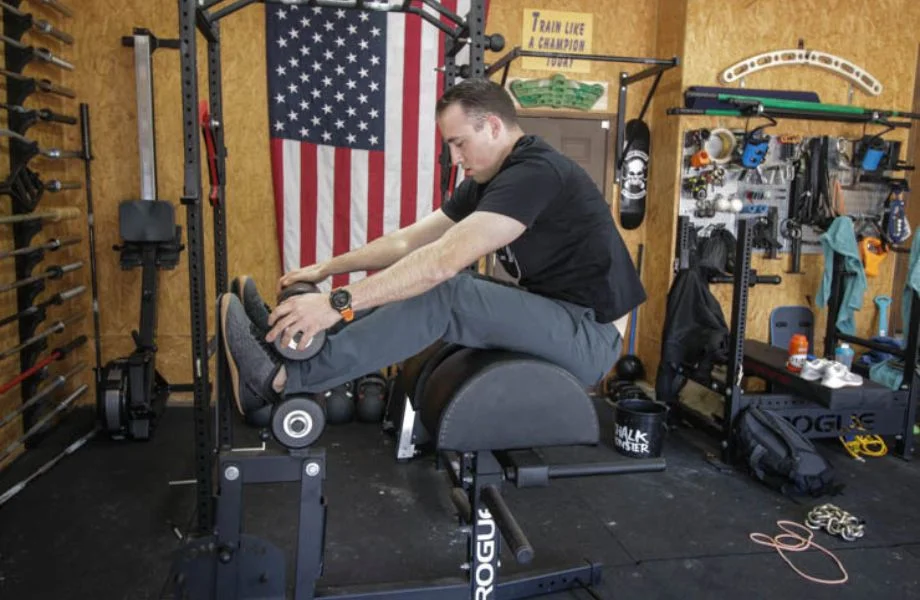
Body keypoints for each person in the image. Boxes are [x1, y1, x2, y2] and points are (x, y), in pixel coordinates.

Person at [220, 78, 645, 419]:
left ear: (493, 127)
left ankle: (280, 379)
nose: (455, 156)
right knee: (437, 281)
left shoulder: (536, 172)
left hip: (591, 336)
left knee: (447, 291)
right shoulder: (487, 181)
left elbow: (441, 262)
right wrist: (326, 270)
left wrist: (337, 301)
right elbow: (408, 242)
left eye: (460, 142)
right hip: (560, 313)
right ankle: (286, 341)